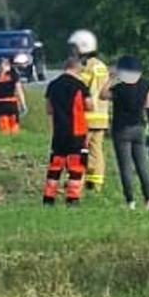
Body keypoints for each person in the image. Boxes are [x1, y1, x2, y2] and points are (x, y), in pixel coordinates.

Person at [105, 55, 149, 211]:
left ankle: (130, 201)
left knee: (125, 167)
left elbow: (102, 94)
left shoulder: (119, 89)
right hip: (139, 127)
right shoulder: (145, 85)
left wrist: (111, 78)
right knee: (142, 166)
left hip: (121, 129)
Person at [43, 54, 92, 206]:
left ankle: (48, 198)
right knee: (76, 166)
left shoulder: (53, 85)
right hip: (76, 130)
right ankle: (72, 198)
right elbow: (89, 105)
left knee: (55, 165)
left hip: (59, 131)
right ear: (77, 67)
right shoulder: (79, 85)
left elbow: (49, 109)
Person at [70, 30, 110, 193]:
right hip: (101, 117)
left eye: (74, 48)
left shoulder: (86, 68)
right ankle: (96, 184)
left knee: (81, 149)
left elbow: (79, 90)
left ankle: (79, 181)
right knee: (96, 150)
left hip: (87, 116)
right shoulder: (102, 66)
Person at [0, 57, 26, 135]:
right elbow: (19, 91)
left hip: (0, 105)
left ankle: (5, 139)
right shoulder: (14, 75)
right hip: (12, 104)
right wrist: (23, 105)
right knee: (14, 127)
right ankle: (14, 139)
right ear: (8, 66)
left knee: (3, 129)